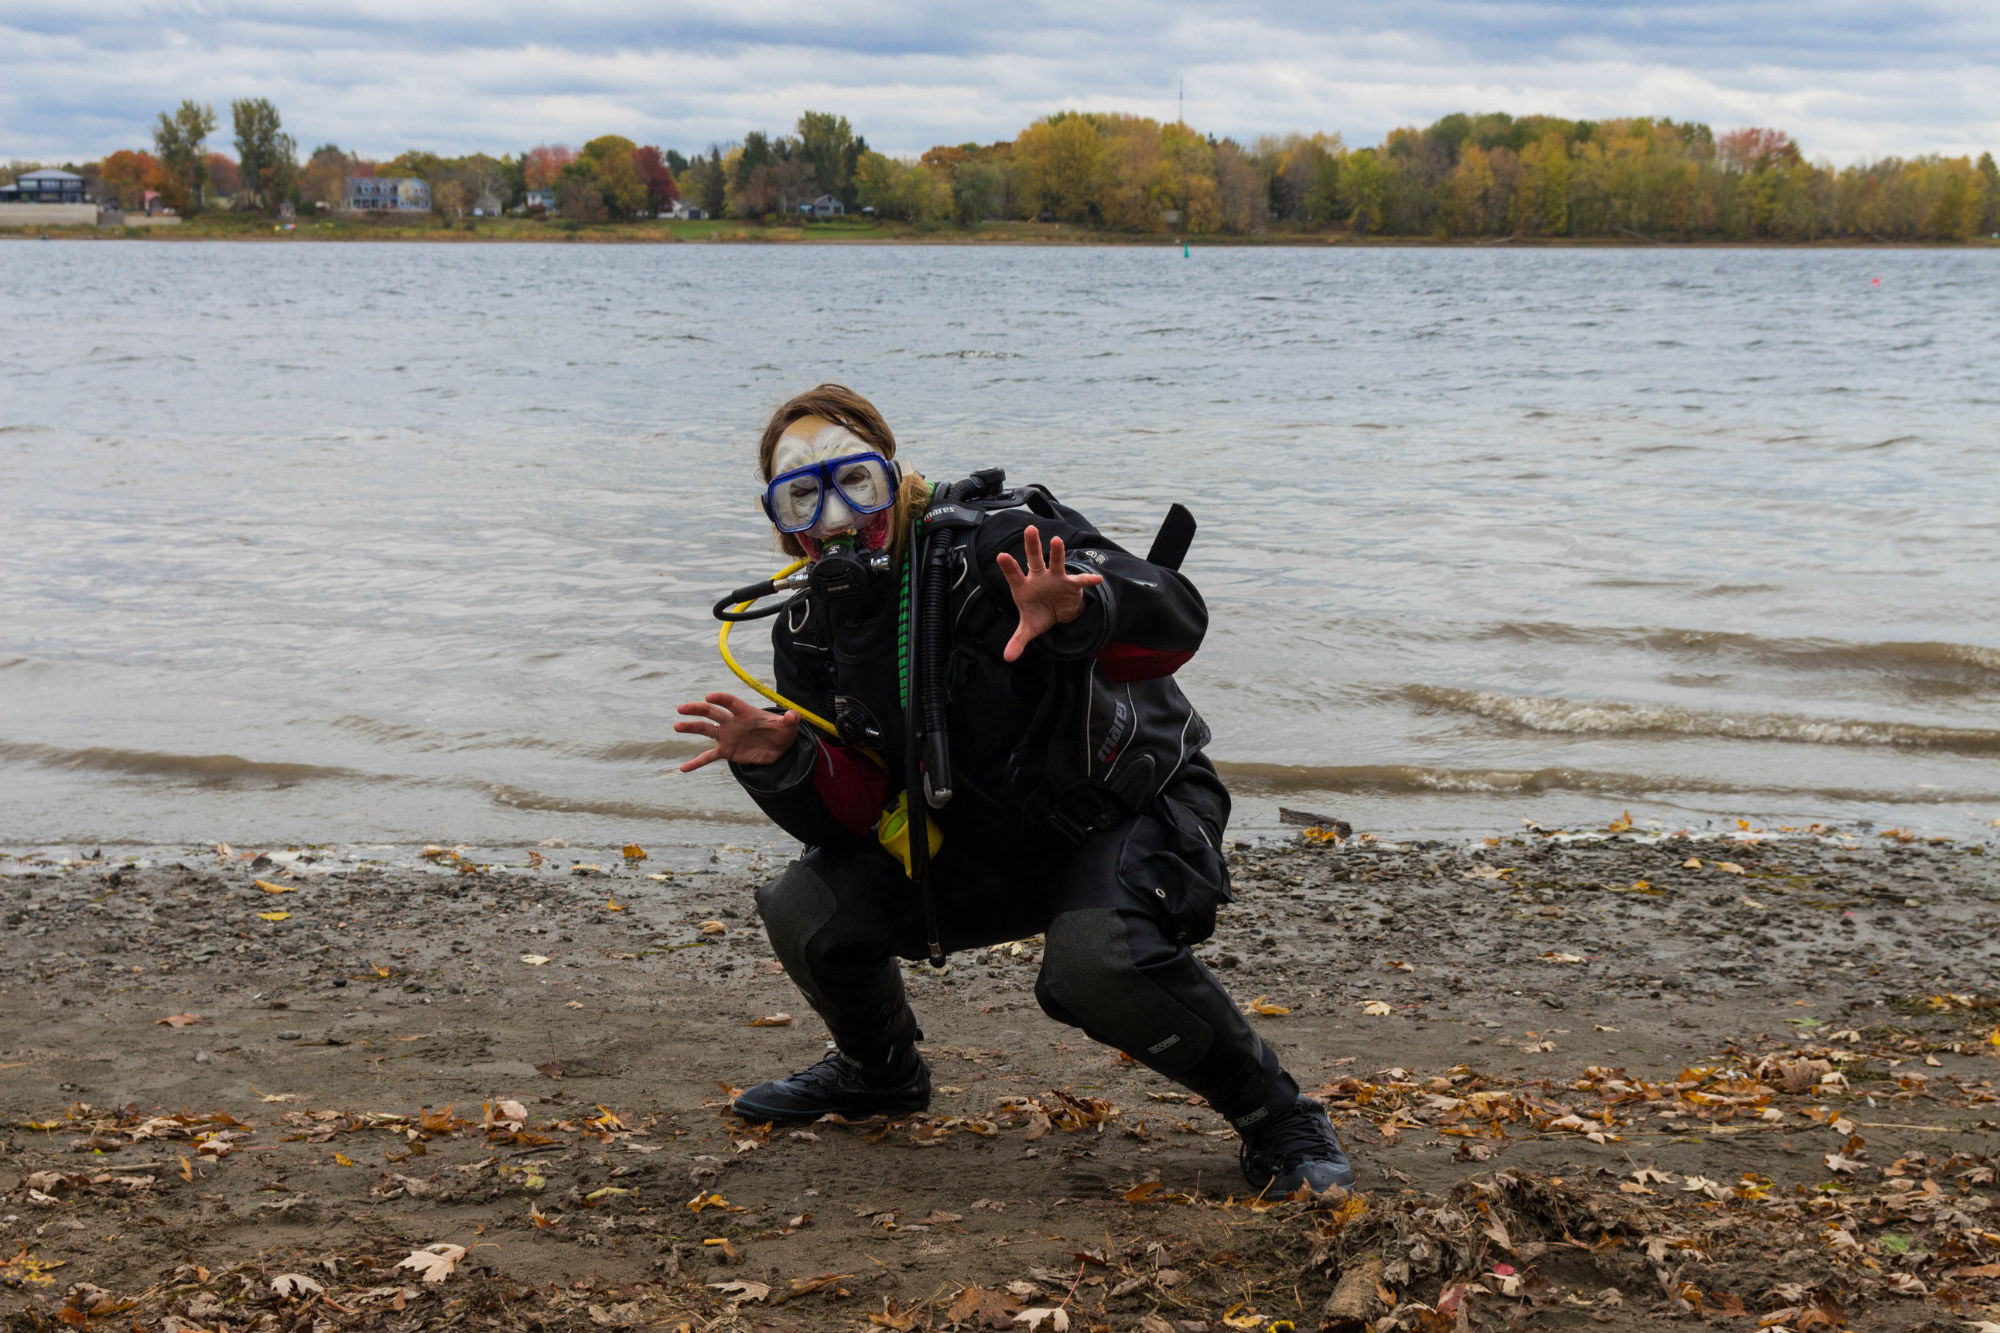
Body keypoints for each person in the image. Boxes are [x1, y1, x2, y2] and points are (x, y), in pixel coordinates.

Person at [674, 384, 1355, 1195]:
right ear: (779, 519)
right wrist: (782, 763)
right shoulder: (808, 627)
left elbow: (1177, 617)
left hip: (1129, 805)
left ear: (892, 474)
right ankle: (878, 1069)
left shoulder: (1000, 540)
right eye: (800, 495)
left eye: (852, 481)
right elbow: (853, 811)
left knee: (1094, 964)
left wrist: (1080, 611)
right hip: (983, 838)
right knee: (804, 907)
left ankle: (1278, 1117)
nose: (834, 515)